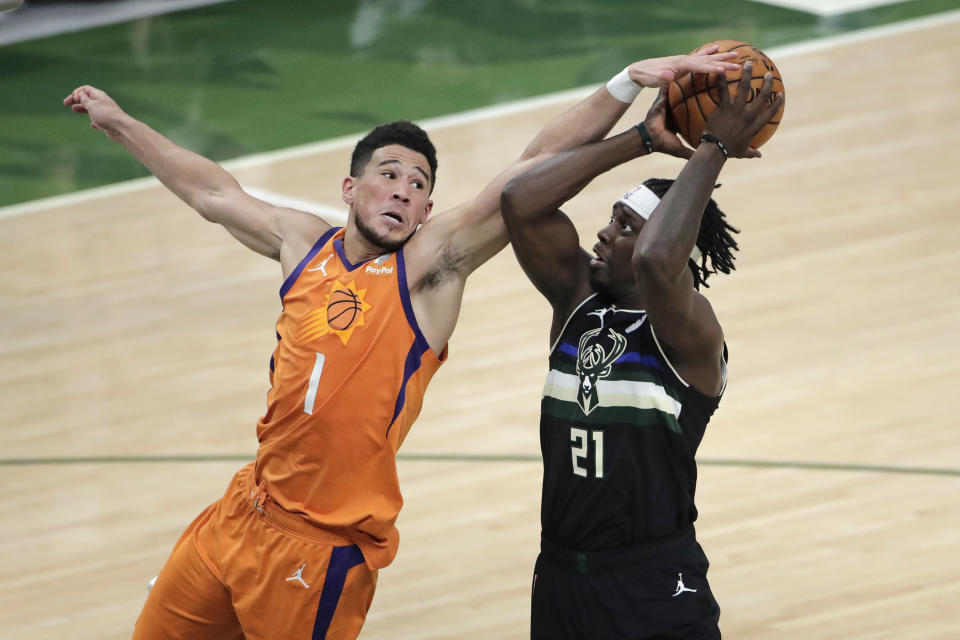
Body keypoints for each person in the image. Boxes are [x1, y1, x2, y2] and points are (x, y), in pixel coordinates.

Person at [63, 49, 741, 640]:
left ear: (424, 213)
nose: (404, 190)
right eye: (390, 174)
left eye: (419, 186)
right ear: (351, 188)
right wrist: (119, 122)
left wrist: (625, 94)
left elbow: (530, 169)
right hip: (242, 511)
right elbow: (209, 191)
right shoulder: (301, 243)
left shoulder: (428, 268)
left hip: (322, 547)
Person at [500, 62, 783, 639]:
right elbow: (519, 200)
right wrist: (640, 141)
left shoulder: (689, 332)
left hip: (652, 581)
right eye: (611, 218)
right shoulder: (576, 300)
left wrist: (713, 147)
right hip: (561, 577)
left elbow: (657, 260)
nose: (604, 232)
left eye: (625, 225)